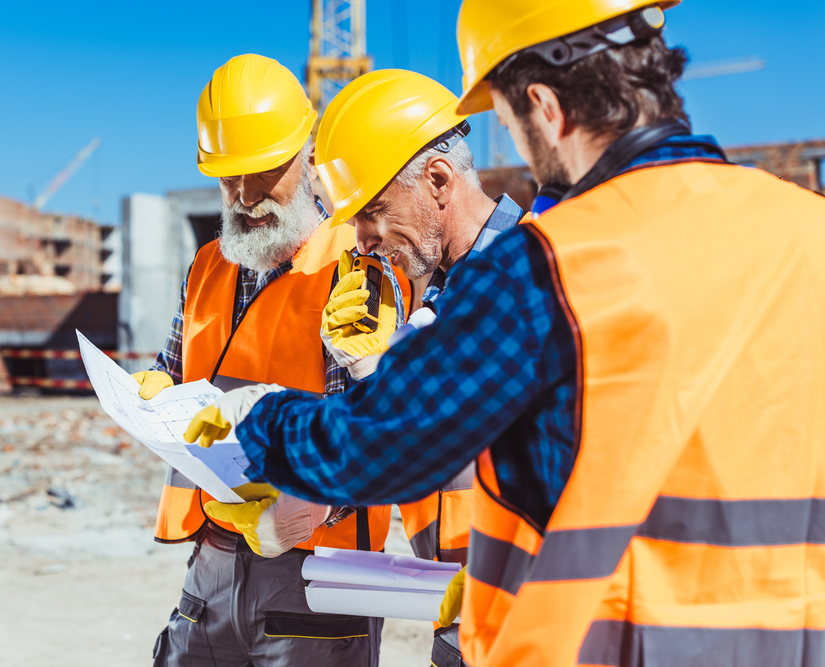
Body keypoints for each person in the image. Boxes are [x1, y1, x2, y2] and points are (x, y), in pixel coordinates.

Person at [185, 3, 825, 666]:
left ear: (544, 107)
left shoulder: (549, 264)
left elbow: (376, 445)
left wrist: (255, 418)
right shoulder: (807, 228)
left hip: (615, 642)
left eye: (510, 122)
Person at [136, 53, 406, 667]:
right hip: (212, 560)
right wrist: (152, 391)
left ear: (308, 155)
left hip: (317, 572)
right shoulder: (209, 263)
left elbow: (378, 423)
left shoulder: (356, 264)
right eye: (230, 178)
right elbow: (178, 368)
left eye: (264, 173)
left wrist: (306, 508)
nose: (246, 195)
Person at [312, 68, 524, 667]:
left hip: (530, 622)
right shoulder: (431, 300)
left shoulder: (533, 276)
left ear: (438, 180)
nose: (363, 239)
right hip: (457, 625)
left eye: (374, 212)